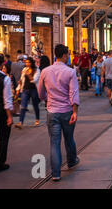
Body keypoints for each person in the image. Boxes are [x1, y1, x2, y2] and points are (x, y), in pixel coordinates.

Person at [38, 44, 80, 181]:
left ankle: (56, 173)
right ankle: (72, 161)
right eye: (67, 55)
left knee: (54, 143)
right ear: (64, 55)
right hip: (67, 111)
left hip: (52, 112)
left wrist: (46, 100)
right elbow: (73, 93)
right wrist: (75, 111)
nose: (68, 57)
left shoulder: (45, 71)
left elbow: (40, 93)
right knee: (69, 138)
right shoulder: (70, 72)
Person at [15, 57, 41, 128]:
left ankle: (37, 119)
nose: (27, 64)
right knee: (23, 106)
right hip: (25, 89)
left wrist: (29, 74)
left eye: (28, 62)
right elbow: (21, 80)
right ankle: (20, 122)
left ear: (32, 63)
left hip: (33, 90)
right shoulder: (24, 69)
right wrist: (18, 89)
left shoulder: (37, 70)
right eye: (26, 62)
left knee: (35, 105)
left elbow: (34, 80)